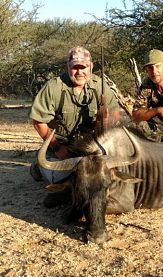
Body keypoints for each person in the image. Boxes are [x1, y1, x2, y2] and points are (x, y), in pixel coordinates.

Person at [29, 46, 120, 207]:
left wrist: (107, 122)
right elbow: (38, 121)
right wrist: (58, 148)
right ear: (68, 67)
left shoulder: (100, 86)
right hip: (62, 147)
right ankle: (39, 165)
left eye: (83, 67)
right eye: (75, 68)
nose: (79, 72)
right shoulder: (54, 87)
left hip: (91, 146)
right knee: (60, 176)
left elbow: (115, 113)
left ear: (90, 67)